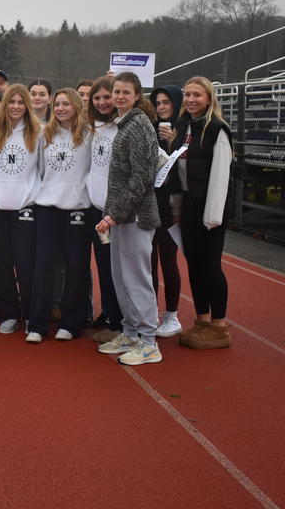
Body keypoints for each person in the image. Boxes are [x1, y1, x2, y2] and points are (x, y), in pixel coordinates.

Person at [95, 72, 162, 365]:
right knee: (121, 279)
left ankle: (149, 342)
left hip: (135, 216)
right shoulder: (124, 124)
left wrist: (114, 214)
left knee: (136, 279)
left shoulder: (138, 126)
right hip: (121, 217)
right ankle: (131, 332)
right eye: (116, 92)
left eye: (125, 92)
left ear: (137, 95)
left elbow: (141, 178)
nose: (119, 97)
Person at [170, 76, 233, 350]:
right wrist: (175, 208)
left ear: (209, 99)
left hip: (210, 209)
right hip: (187, 206)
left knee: (210, 266)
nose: (191, 99)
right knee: (194, 265)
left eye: (197, 95)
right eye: (188, 95)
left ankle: (219, 325)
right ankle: (202, 320)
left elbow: (221, 175)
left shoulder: (217, 129)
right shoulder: (182, 126)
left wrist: (213, 216)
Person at [27, 88, 91, 343]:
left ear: (76, 106)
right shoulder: (46, 134)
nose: (62, 108)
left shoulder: (89, 135)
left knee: (76, 268)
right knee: (43, 266)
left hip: (77, 208)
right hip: (48, 207)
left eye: (67, 104)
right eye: (59, 104)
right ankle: (37, 324)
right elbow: (41, 170)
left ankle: (71, 322)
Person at [0, 84, 41, 333]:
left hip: (25, 207)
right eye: (12, 102)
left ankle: (29, 314)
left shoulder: (39, 132)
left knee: (26, 264)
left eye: (20, 102)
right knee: (0, 263)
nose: (16, 107)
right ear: (5, 105)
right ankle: (9, 313)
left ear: (27, 105)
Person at [85, 77, 123, 343]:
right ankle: (112, 315)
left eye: (106, 97)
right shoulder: (92, 127)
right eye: (96, 98)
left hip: (117, 213)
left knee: (118, 269)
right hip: (96, 210)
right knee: (104, 268)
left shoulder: (126, 126)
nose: (101, 102)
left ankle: (122, 323)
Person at [149, 85, 183, 338]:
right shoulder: (149, 129)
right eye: (158, 103)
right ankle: (150, 312)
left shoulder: (184, 131)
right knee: (147, 262)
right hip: (149, 205)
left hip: (171, 207)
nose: (162, 107)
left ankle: (172, 315)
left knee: (168, 261)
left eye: (166, 102)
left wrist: (173, 140)